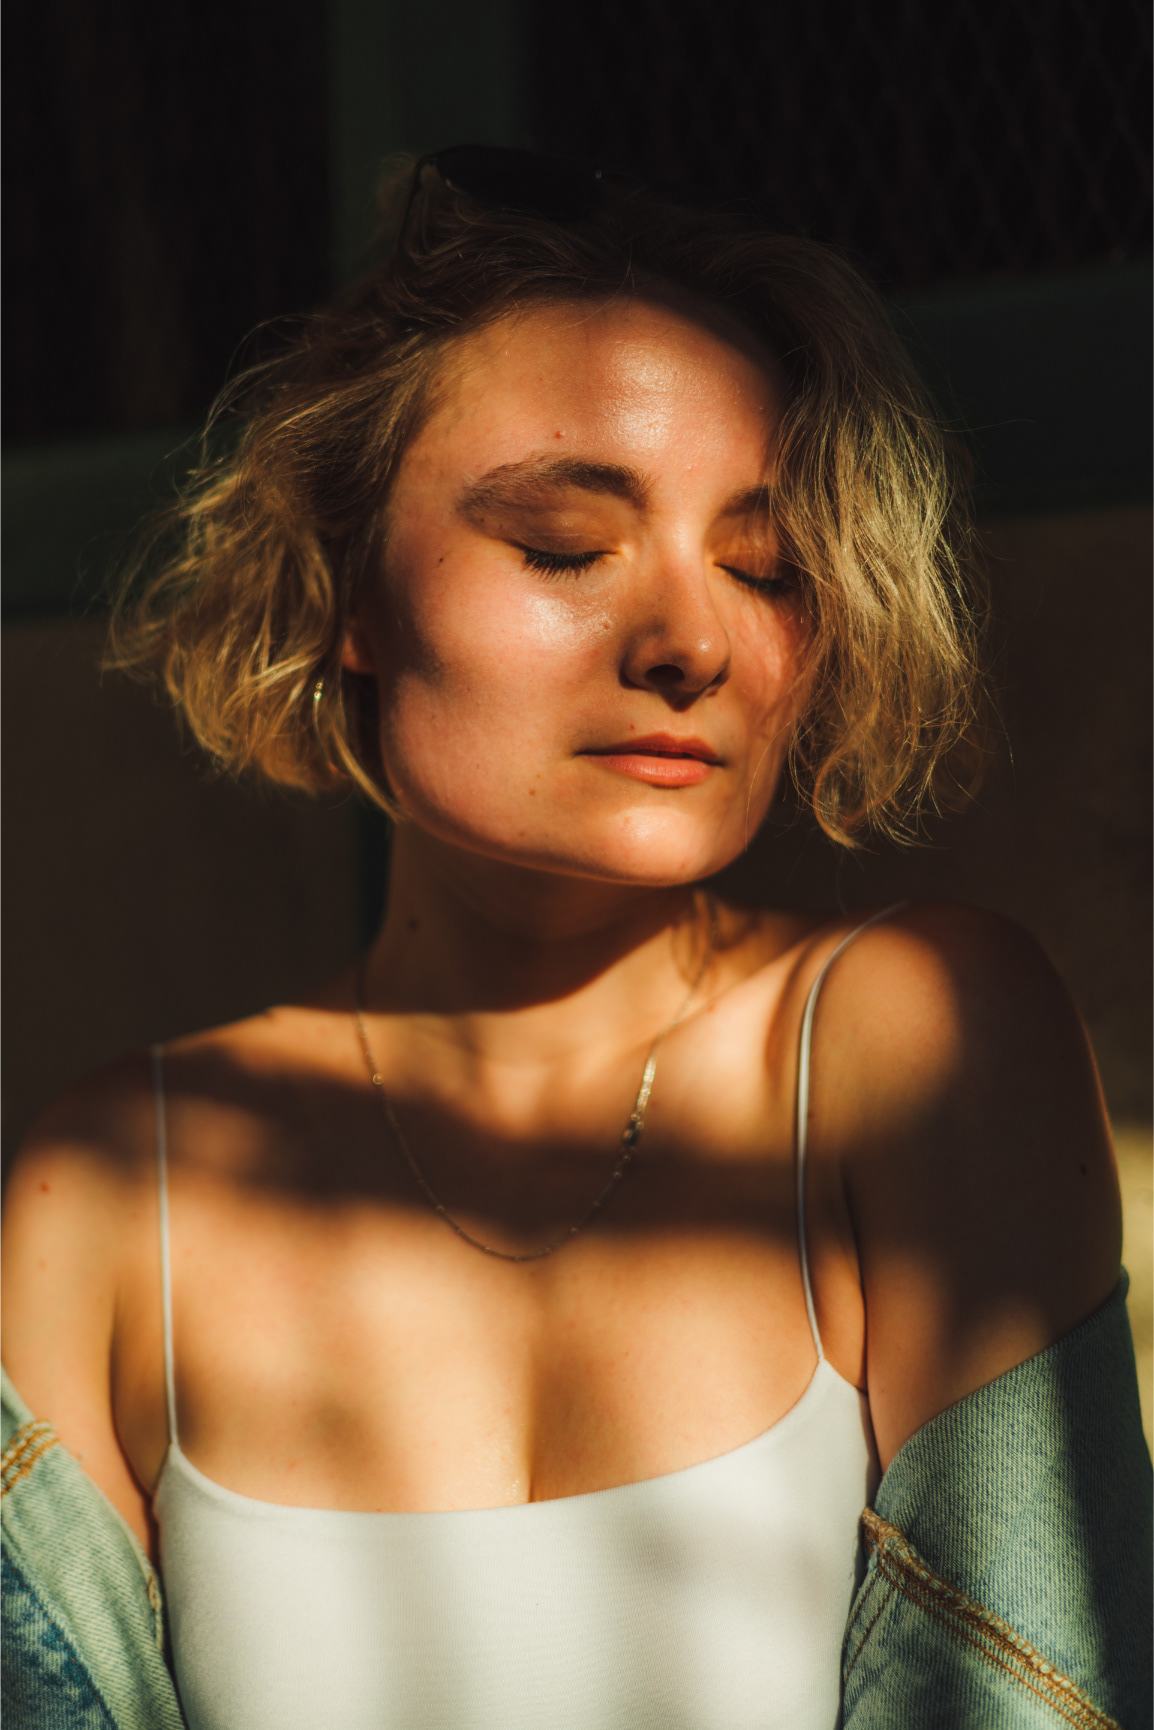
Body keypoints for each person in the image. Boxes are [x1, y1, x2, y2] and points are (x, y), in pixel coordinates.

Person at [2, 148, 1149, 1730]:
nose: (691, 641)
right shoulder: (114, 1189)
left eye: (763, 566)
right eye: (560, 543)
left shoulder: (908, 1041)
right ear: (349, 587)